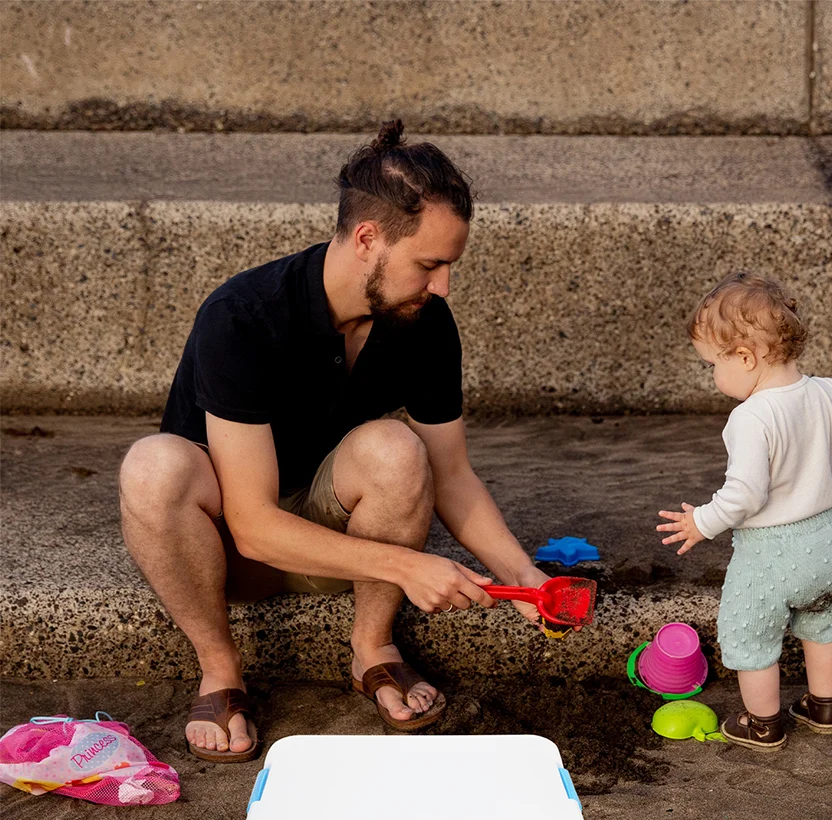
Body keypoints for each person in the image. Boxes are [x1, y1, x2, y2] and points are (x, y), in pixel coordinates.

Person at [119, 120, 551, 760]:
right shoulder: (244, 316)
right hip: (228, 552)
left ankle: (372, 646)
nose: (443, 287)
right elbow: (253, 528)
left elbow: (452, 475)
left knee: (396, 448)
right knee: (153, 467)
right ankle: (219, 666)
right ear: (368, 239)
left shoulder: (423, 321)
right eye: (430, 264)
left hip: (342, 543)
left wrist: (525, 578)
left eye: (449, 266)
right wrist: (409, 566)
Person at [656, 272, 832, 751]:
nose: (713, 376)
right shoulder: (825, 392)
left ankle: (762, 724)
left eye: (711, 365)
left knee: (752, 639)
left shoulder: (750, 418)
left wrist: (700, 522)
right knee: (823, 630)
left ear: (745, 357)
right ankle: (824, 707)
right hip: (826, 543)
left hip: (770, 555)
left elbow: (744, 495)